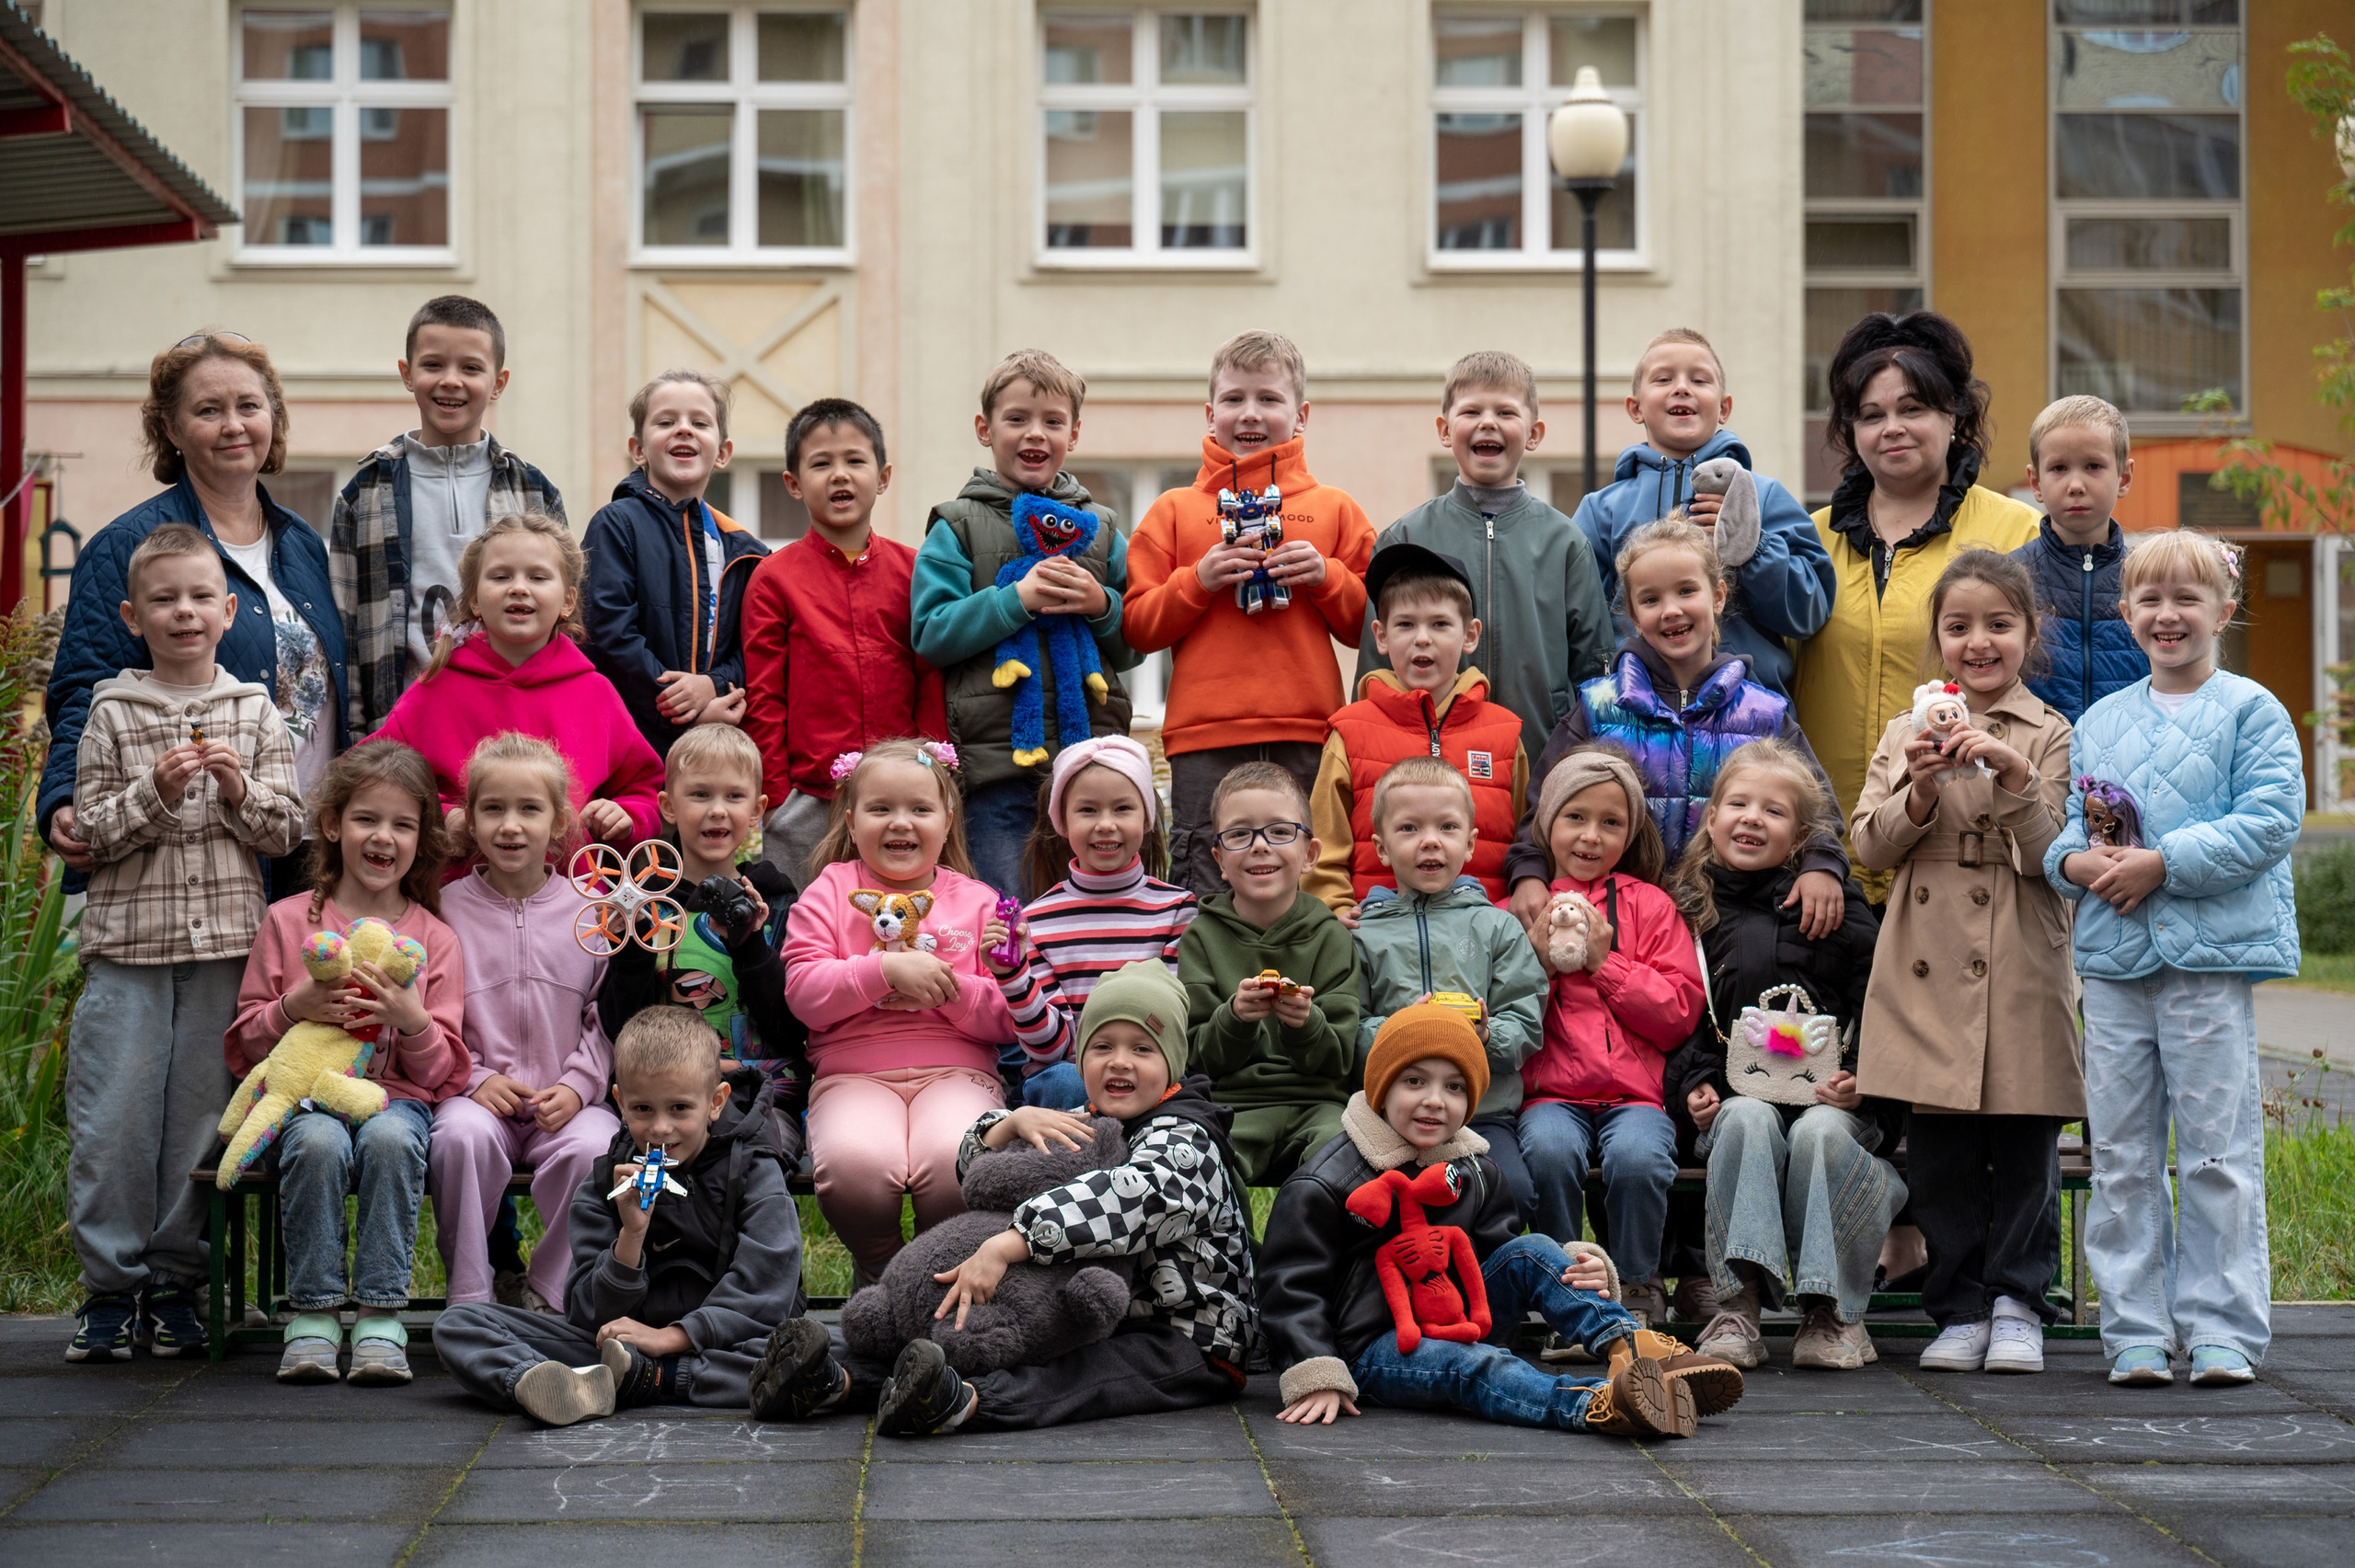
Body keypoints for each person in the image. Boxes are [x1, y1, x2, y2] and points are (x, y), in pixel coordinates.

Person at [763, 961, 1258, 1434]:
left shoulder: (1186, 1136)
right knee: (967, 1338)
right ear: (1081, 1058)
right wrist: (1004, 1127)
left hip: (1187, 1338)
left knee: (1087, 1375)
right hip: (1086, 1314)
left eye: (1142, 1049)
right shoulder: (1084, 1119)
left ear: (1172, 1064)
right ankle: (836, 1381)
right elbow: (986, 1177)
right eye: (1102, 1046)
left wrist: (1011, 1242)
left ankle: (968, 1402)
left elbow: (1130, 1199)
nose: (1119, 1061)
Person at [2049, 531, 2303, 1389]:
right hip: (2117, 967)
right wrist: (2075, 864)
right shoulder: (2100, 721)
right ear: (2126, 614)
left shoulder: (2252, 710)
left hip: (2208, 964)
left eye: (2187, 599)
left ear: (2223, 611)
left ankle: (2224, 1326)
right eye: (2150, 600)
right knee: (2121, 1152)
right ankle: (2134, 1328)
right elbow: (2073, 832)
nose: (2168, 615)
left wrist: (2165, 863)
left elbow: (2269, 821)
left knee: (2216, 1150)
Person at [1259, 1005, 1740, 1438]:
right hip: (1372, 1345)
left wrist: (1575, 1270)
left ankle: (1629, 1345)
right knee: (1478, 1365)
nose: (1434, 1101)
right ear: (1381, 1087)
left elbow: (1500, 1256)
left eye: (1454, 1087)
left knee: (1535, 1250)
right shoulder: (1326, 1182)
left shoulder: (1475, 1170)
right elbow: (1289, 1287)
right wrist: (1314, 1371)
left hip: (1455, 1313)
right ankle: (1596, 1402)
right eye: (1414, 1082)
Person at [61, 524, 304, 1362]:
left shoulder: (255, 709)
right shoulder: (112, 710)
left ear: (229, 609)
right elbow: (89, 832)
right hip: (129, 948)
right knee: (115, 1119)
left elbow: (288, 831)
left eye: (200, 597)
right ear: (133, 615)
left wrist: (240, 792)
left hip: (225, 952)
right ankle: (106, 1286)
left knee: (203, 1122)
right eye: (164, 599)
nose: (184, 612)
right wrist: (154, 795)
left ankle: (176, 1281)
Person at [1853, 549, 2079, 1377]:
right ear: (1939, 638)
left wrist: (2014, 775)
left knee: (2025, 1136)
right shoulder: (1903, 731)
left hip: (2022, 944)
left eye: (1998, 625)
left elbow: (2058, 851)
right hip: (1927, 948)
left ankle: (2020, 1300)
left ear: (2029, 631)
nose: (1978, 642)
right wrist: (1917, 788)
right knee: (1941, 1141)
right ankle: (1958, 1304)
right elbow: (1867, 845)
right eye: (1959, 627)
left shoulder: (2051, 729)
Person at [42, 332, 344, 892]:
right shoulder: (129, 546)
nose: (234, 425)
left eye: (249, 406)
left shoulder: (303, 544)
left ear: (272, 418)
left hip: (310, 840)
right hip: (197, 847)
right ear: (172, 429)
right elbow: (85, 685)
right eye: (209, 410)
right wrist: (63, 794)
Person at [224, 741, 467, 1385]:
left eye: (403, 824)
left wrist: (411, 1017)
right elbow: (248, 1042)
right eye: (366, 818)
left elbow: (442, 1070)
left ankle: (381, 1313)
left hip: (397, 1100)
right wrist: (292, 1005)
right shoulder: (287, 921)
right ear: (333, 824)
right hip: (305, 1102)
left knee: (389, 1137)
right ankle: (315, 1311)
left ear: (421, 838)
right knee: (318, 1140)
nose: (382, 836)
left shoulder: (433, 939)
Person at [435, 1007, 803, 1425]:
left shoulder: (756, 1167)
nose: (661, 1128)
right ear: (620, 1103)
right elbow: (589, 1314)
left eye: (680, 1108)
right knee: (459, 1324)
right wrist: (630, 1237)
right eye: (643, 1109)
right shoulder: (604, 1181)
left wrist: (673, 1338)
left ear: (716, 1102)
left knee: (812, 1350)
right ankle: (542, 1381)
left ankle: (647, 1379)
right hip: (621, 1347)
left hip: (721, 1345)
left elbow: (769, 1288)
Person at [1660, 740, 1896, 1372]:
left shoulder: (1834, 907)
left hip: (1831, 1102)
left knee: (1820, 1130)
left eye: (1772, 810)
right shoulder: (1687, 910)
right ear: (1710, 819)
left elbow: (1883, 997)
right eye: (1737, 803)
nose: (1751, 818)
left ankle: (1833, 1312)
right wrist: (1697, 1083)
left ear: (1799, 836)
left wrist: (1865, 1078)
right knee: (1744, 1118)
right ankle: (1738, 1306)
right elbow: (1679, 1013)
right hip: (1741, 1099)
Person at [1791, 311, 2039, 904]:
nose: (1892, 428)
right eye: (1871, 416)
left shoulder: (2019, 532)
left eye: (1913, 409)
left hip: (1963, 859)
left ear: (1954, 417)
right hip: (1821, 867)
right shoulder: (1806, 539)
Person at [1503, 519, 1850, 944]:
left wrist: (1820, 865)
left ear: (1718, 595)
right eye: (1650, 599)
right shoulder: (1599, 707)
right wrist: (1528, 873)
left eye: (1687, 591)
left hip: (1731, 926)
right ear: (1633, 616)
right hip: (1620, 931)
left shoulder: (1765, 714)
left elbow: (1819, 811)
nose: (1671, 610)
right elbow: (1543, 804)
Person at [1124, 329, 1377, 898]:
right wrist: (1198, 581)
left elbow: (1374, 628)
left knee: (1309, 882)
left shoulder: (1334, 508)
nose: (1251, 414)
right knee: (1209, 885)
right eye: (1235, 400)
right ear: (1210, 415)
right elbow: (1137, 628)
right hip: (1203, 737)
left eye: (1269, 399)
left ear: (1301, 414)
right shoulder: (1173, 511)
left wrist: (1327, 576)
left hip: (1310, 733)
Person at [780, 738, 1014, 1281]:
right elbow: (803, 994)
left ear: (949, 818)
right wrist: (880, 972)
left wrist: (945, 986)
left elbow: (1008, 1016)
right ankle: (886, 1272)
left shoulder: (978, 901)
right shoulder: (829, 892)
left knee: (957, 1160)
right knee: (855, 1166)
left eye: (920, 809)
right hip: (853, 1074)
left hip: (958, 1071)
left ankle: (937, 1271)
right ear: (851, 818)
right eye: (880, 808)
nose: (899, 823)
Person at [912, 350, 1136, 897]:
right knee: (1009, 912)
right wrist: (1015, 599)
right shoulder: (957, 524)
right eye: (1017, 419)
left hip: (1090, 767)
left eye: (1052, 422)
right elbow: (931, 633)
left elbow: (1135, 643)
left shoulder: (1101, 528)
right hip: (997, 771)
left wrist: (1101, 604)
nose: (1035, 434)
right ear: (985, 429)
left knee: (1093, 907)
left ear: (1074, 434)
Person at [428, 734, 622, 1314]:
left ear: (559, 821)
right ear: (469, 820)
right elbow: (434, 1013)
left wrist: (579, 1086)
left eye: (529, 809)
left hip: (565, 1098)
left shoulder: (591, 911)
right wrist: (472, 1079)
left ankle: (549, 1290)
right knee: (458, 1139)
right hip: (477, 1096)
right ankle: (469, 1293)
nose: (510, 826)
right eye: (494, 809)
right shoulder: (445, 910)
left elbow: (604, 1015)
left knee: (597, 1146)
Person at [1514, 748, 1703, 1326]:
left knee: (1640, 1158)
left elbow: (1679, 1012)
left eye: (1611, 822)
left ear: (1631, 833)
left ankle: (1637, 1283)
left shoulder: (1650, 906)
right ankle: (1560, 1286)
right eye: (1575, 818)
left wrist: (1607, 964)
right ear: (1548, 824)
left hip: (1634, 1096)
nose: (1591, 837)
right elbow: (1500, 1012)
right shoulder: (1520, 909)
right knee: (1547, 1151)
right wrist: (1540, 964)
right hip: (1550, 1095)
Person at [1351, 350, 1613, 755]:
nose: (1488, 422)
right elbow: (1376, 672)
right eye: (1471, 411)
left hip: (1539, 762)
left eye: (1506, 413)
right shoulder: (1404, 538)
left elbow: (1594, 672)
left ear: (1534, 433)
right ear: (1444, 429)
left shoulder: (1565, 543)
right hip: (1428, 776)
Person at [331, 295, 566, 739]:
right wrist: (357, 739)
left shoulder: (532, 490)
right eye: (434, 365)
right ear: (407, 374)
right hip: (402, 726)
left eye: (471, 369)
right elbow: (348, 624)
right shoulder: (365, 491)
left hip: (511, 727)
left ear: (498, 382)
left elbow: (562, 621)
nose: (451, 381)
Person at [741, 396, 947, 893]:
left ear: (883, 476)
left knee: (906, 922)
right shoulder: (773, 578)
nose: (840, 475)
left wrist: (932, 772)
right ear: (793, 483)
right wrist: (778, 796)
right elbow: (764, 697)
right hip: (808, 802)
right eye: (821, 464)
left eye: (855, 460)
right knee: (801, 929)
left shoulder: (916, 570)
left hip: (902, 797)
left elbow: (931, 677)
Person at [371, 512, 662, 852]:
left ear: (567, 601)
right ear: (475, 601)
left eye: (538, 577)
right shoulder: (434, 690)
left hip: (574, 896)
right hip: (456, 895)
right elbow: (375, 777)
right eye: (501, 576)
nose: (519, 588)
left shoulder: (596, 694)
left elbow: (645, 790)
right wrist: (440, 816)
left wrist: (626, 815)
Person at [1570, 328, 1833, 700]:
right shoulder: (1601, 511)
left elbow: (1811, 612)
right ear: (1635, 407)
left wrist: (1753, 548)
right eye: (1663, 379)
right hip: (1637, 714)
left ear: (1724, 407)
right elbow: (1580, 626)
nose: (1682, 388)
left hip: (1747, 712)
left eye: (1699, 379)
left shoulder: (1766, 497)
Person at [1346, 757, 1546, 1224]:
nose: (1430, 840)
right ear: (1381, 847)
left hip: (1483, 1112)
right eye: (1410, 828)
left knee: (1511, 1190)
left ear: (1471, 843)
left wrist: (1483, 1036)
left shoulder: (1498, 927)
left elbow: (1526, 1021)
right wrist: (1400, 1030)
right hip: (1389, 1115)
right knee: (1369, 1202)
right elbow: (1347, 1027)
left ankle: (1503, 1286)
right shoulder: (1361, 934)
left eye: (1447, 827)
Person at [597, 724, 807, 1160]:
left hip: (757, 1092)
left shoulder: (779, 902)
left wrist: (750, 946)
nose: (717, 810)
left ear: (757, 810)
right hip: (661, 1101)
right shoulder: (644, 903)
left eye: (733, 796)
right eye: (699, 795)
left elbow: (790, 1029)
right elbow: (618, 1027)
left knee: (760, 1155)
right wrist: (631, 951)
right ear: (668, 807)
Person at [1307, 543, 1527, 916]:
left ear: (1470, 635)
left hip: (1483, 938)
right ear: (1381, 635)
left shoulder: (1504, 732)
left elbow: (1525, 842)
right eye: (1405, 624)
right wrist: (1333, 908)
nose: (1421, 638)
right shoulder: (1349, 730)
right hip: (1378, 938)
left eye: (1439, 624)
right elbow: (1323, 845)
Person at [986, 736, 1196, 1111]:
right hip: (1070, 1084)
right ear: (1062, 822)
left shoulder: (1177, 909)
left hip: (1153, 1079)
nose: (1105, 824)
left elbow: (1172, 1025)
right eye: (1087, 810)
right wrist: (1013, 977)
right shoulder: (1036, 921)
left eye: (1122, 809)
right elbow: (1050, 1050)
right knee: (1064, 1083)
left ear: (1147, 817)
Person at [1177, 761, 1360, 1187]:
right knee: (1202, 1163)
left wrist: (1306, 1024)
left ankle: (1310, 1253)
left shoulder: (1332, 938)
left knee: (1343, 1155)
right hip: (1230, 1104)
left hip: (1318, 1105)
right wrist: (1235, 1019)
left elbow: (1339, 1062)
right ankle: (1233, 1253)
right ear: (1219, 859)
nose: (1260, 846)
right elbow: (1195, 1058)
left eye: (1279, 832)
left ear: (1310, 854)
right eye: (1240, 834)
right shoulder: (1201, 938)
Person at [583, 370, 769, 760]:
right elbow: (608, 633)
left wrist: (712, 686)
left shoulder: (747, 550)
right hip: (633, 747)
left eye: (699, 423)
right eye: (666, 422)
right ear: (637, 448)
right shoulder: (617, 524)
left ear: (723, 452)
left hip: (715, 752)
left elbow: (753, 650)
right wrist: (686, 710)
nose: (683, 430)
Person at [2011, 395, 2148, 726]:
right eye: (2058, 468)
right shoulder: (2008, 580)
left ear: (2124, 478)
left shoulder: (2148, 579)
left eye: (2093, 466)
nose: (2075, 485)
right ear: (2036, 482)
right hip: (2033, 766)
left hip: (2129, 766)